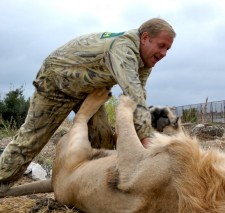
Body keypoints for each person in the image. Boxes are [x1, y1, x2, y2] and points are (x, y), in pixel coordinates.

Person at [0, 18, 176, 186]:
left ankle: (95, 187)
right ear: (145, 38)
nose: (164, 54)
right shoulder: (123, 48)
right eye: (161, 46)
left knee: (103, 137)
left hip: (87, 91)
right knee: (30, 142)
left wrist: (142, 135)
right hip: (57, 85)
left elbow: (138, 96)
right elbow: (134, 94)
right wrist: (147, 142)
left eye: (168, 49)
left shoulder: (145, 62)